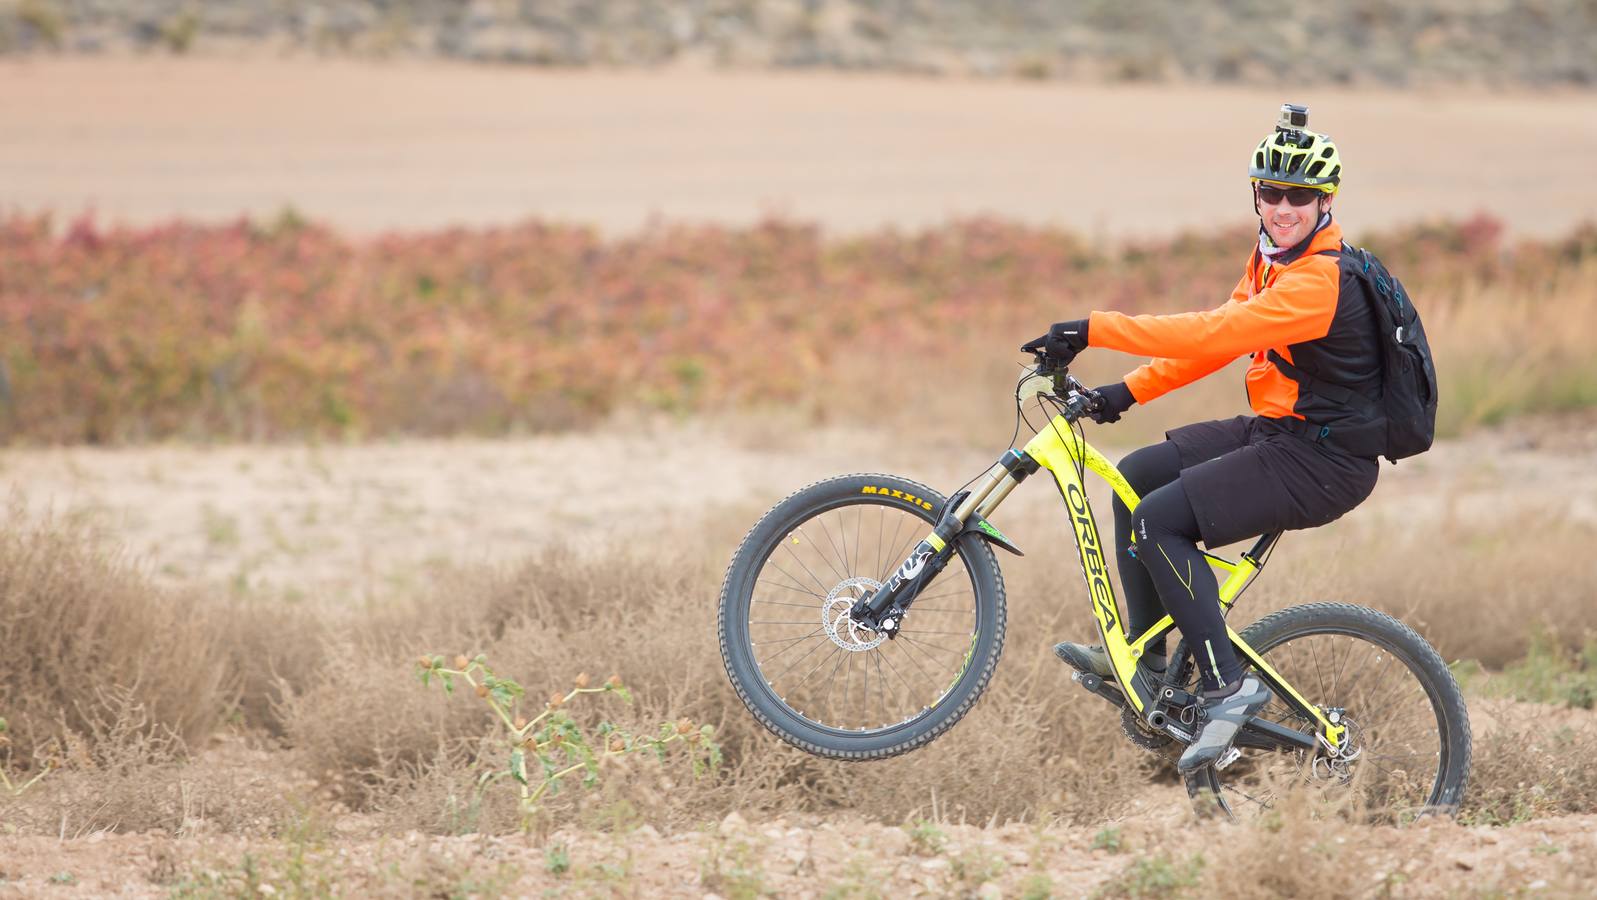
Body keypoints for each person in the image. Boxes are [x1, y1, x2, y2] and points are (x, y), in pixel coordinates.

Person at [1023, 104, 1381, 774]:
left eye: (1299, 196)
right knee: (1135, 479)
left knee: (1158, 522)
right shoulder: (1271, 259)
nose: (1282, 207)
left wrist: (1092, 328)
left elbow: (1208, 335)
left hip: (1323, 459)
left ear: (1325, 201)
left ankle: (1225, 687)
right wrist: (1120, 393)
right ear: (1255, 193)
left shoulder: (1317, 280)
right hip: (1283, 430)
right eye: (1270, 192)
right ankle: (1150, 663)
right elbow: (1221, 335)